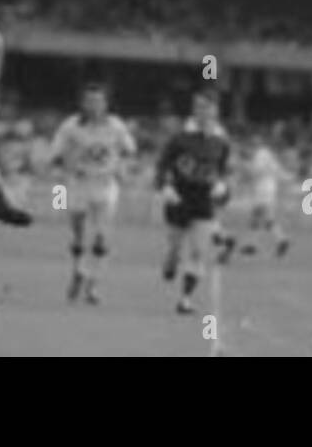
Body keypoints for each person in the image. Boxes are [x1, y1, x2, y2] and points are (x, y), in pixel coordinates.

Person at [48, 82, 136, 304]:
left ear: (106, 104)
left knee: (100, 238)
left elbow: (130, 150)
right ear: (82, 103)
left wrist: (122, 169)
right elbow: (55, 154)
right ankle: (78, 270)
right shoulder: (71, 126)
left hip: (106, 185)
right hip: (79, 184)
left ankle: (92, 284)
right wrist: (61, 169)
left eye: (98, 101)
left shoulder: (116, 126)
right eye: (89, 101)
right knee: (79, 236)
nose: (94, 106)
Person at [154, 88, 232, 315]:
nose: (202, 112)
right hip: (179, 198)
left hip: (204, 201)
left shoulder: (221, 142)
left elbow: (224, 172)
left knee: (199, 251)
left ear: (215, 110)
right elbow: (162, 165)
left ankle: (185, 299)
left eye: (206, 107)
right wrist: (165, 187)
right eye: (198, 106)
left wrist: (223, 189)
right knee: (175, 249)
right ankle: (171, 260)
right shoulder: (179, 138)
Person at [234, 134, 291, 258]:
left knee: (263, 217)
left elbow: (256, 172)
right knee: (258, 217)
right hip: (268, 188)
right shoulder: (267, 154)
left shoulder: (260, 155)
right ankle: (253, 245)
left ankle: (281, 239)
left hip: (263, 189)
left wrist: (245, 169)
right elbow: (277, 170)